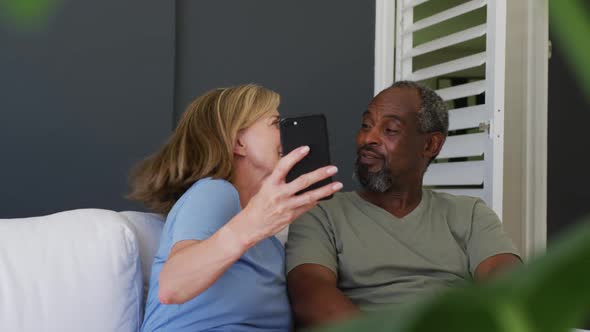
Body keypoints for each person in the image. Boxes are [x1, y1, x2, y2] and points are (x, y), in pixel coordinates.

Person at [285, 80, 521, 327]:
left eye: (390, 130)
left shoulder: (470, 214)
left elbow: (509, 284)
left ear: (430, 145)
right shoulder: (321, 214)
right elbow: (310, 295)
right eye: (366, 125)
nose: (368, 138)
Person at [128, 84, 343, 331]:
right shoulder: (215, 191)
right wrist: (254, 224)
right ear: (239, 142)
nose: (285, 133)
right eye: (275, 123)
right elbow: (172, 287)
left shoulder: (266, 238)